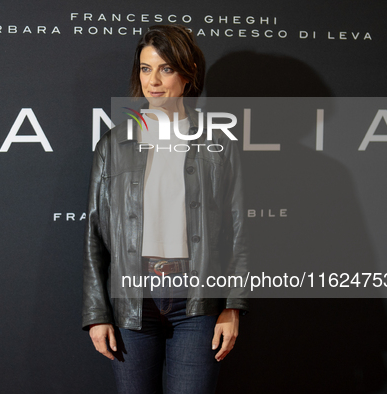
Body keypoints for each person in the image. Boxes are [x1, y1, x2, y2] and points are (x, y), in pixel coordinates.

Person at [82, 24, 249, 394]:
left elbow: (240, 230)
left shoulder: (218, 145)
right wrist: (96, 314)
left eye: (166, 68)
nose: (153, 81)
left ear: (188, 72)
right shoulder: (113, 144)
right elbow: (95, 232)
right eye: (145, 68)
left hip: (197, 303)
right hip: (132, 300)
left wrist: (233, 306)